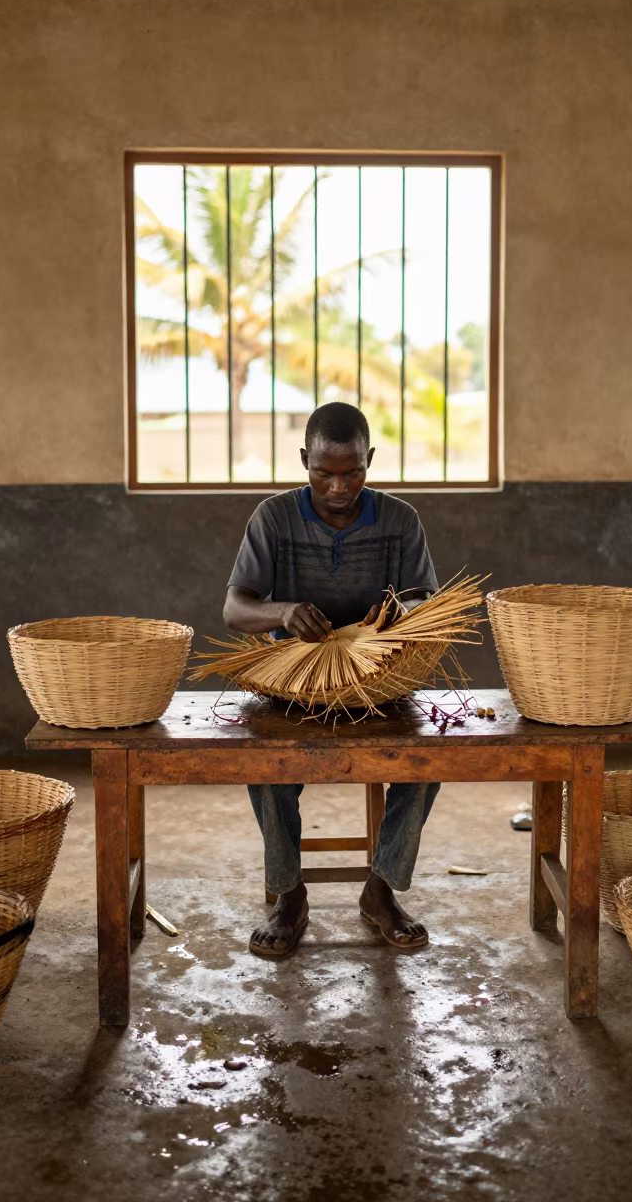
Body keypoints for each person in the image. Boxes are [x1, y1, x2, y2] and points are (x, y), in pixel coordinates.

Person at [224, 401, 440, 957]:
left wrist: (402, 612)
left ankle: (381, 889)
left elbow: (427, 599)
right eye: (325, 473)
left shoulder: (400, 520)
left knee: (429, 762)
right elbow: (234, 608)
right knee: (265, 765)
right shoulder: (273, 517)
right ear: (304, 461)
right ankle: (289, 894)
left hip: (379, 682)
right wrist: (282, 611)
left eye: (352, 472)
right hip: (293, 683)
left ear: (370, 459)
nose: (339, 486)